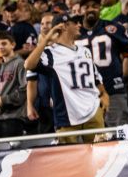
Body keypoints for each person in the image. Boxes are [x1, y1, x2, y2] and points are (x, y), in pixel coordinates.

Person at [24, 13, 110, 143]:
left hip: (93, 112)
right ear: (64, 26)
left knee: (100, 156)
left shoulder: (84, 51)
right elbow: (28, 65)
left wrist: (104, 93)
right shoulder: (50, 53)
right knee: (69, 160)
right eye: (75, 22)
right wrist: (47, 39)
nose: (79, 25)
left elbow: (95, 76)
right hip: (67, 116)